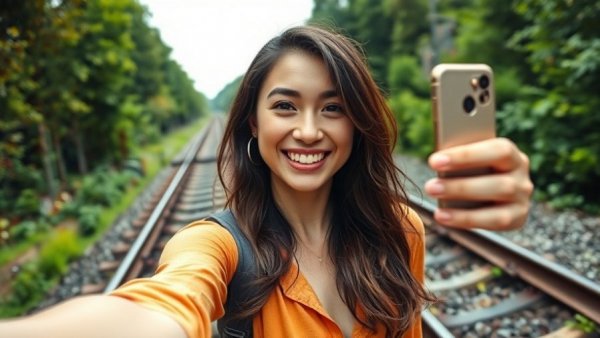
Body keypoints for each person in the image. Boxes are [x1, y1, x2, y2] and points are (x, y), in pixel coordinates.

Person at [0, 25, 533, 338]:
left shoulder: (401, 229)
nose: (308, 130)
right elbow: (158, 310)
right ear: (254, 122)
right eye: (285, 106)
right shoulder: (215, 245)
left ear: (357, 123)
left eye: (334, 107)